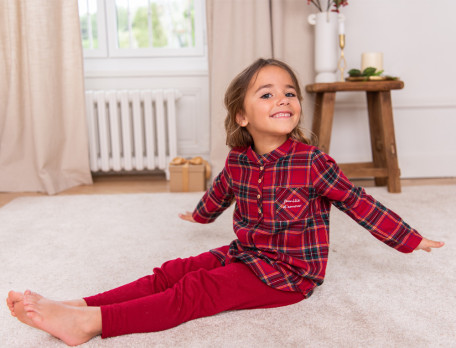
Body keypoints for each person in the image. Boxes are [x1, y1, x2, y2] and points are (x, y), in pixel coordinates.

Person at [6, 58, 444, 346]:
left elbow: (359, 202)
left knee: (198, 290)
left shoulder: (313, 162)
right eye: (267, 94)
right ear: (242, 115)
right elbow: (220, 193)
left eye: (289, 92)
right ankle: (82, 304)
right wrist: (199, 215)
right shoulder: (239, 159)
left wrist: (410, 238)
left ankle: (89, 325)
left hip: (288, 276)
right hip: (247, 253)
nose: (283, 99)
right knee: (175, 271)